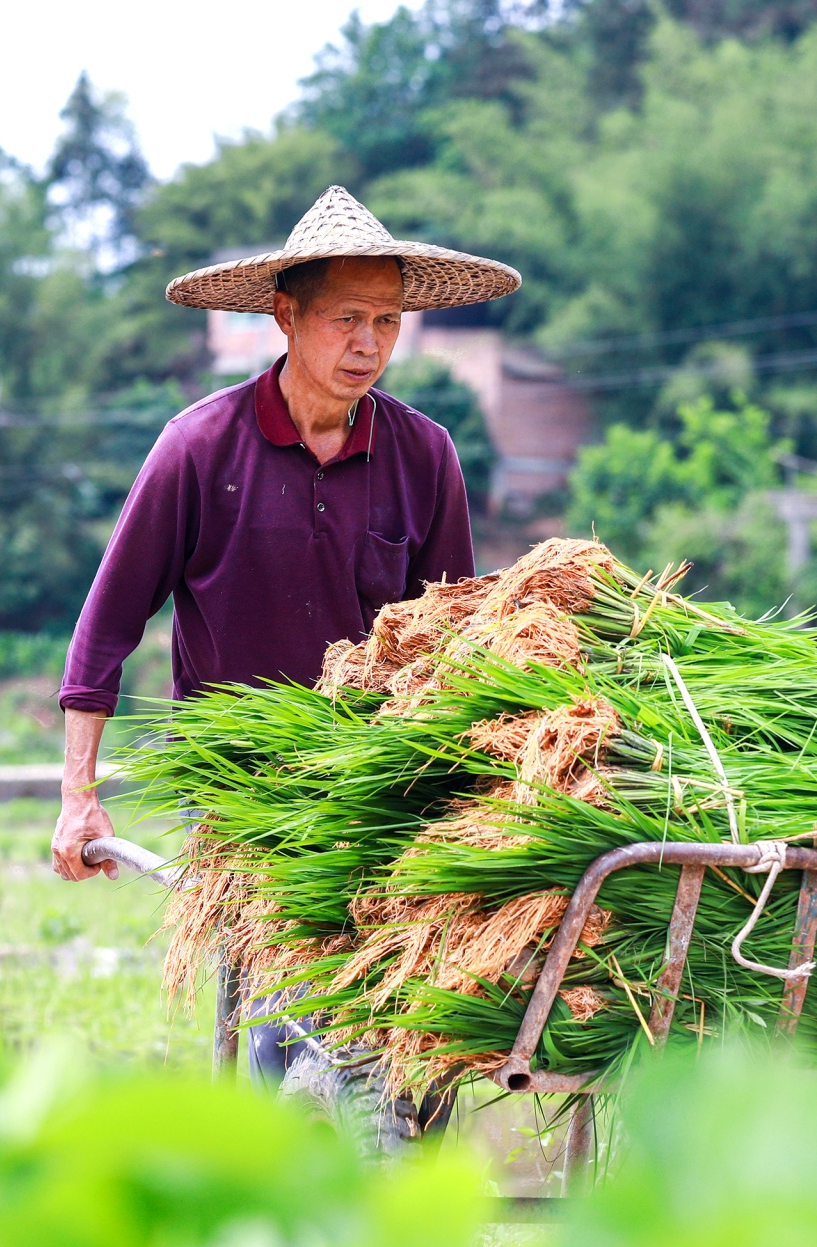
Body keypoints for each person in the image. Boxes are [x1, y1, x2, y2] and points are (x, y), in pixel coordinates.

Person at [49, 186, 520, 1128]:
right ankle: (293, 1194)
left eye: (387, 321)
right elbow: (105, 628)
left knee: (404, 1018)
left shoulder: (426, 458)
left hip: (381, 788)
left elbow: (453, 646)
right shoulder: (198, 449)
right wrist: (78, 793)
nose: (369, 343)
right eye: (347, 318)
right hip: (247, 787)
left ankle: (389, 1185)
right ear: (286, 316)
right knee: (282, 1020)